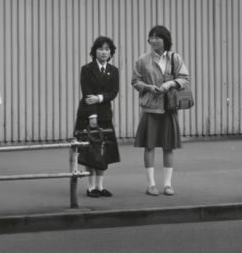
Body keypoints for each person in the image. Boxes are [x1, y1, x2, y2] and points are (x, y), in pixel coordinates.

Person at [131, 25, 190, 196]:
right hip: (150, 108)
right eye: (151, 37)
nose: (153, 40)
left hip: (168, 107)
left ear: (165, 40)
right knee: (149, 146)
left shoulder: (175, 58)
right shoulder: (142, 60)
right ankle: (151, 185)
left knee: (168, 146)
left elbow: (184, 78)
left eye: (157, 37)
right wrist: (149, 87)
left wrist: (169, 84)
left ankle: (167, 185)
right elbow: (135, 81)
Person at [76, 35, 122, 198]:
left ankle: (100, 186)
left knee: (104, 151)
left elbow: (113, 92)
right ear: (94, 51)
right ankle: (90, 188)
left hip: (105, 115)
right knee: (90, 151)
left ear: (111, 53)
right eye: (101, 49)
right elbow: (87, 93)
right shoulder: (86, 69)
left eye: (107, 49)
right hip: (88, 114)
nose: (104, 52)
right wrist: (93, 115)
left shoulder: (114, 71)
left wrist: (100, 98)